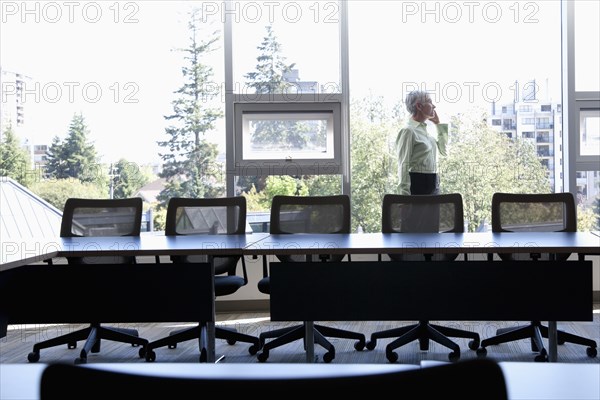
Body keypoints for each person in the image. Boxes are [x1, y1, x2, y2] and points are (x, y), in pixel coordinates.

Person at [396, 90, 448, 196]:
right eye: (430, 102)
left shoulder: (428, 133)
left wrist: (438, 124)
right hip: (417, 186)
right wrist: (404, 199)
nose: (434, 106)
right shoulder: (408, 131)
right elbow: (403, 166)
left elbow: (444, 151)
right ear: (419, 106)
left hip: (434, 184)